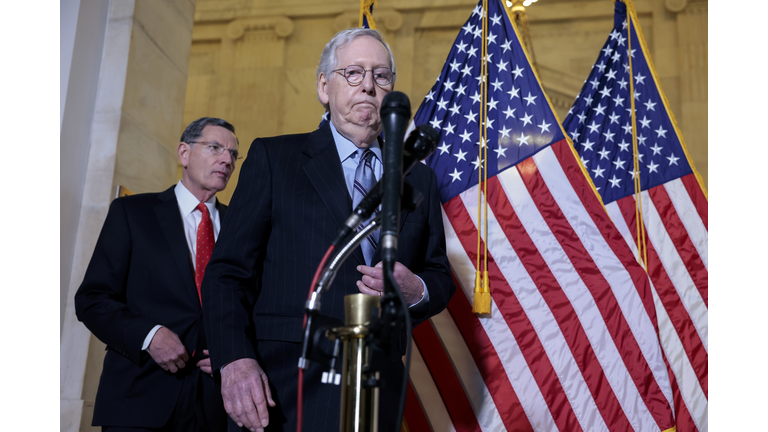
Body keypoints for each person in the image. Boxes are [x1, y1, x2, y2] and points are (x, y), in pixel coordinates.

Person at [202, 28, 456, 432]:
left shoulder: (418, 178)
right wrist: (234, 360)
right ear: (324, 86)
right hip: (283, 384)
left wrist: (417, 291)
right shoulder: (275, 157)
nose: (369, 86)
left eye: (382, 75)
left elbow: (439, 275)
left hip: (376, 384)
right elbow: (227, 274)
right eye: (354, 73)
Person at [75, 117, 241, 432]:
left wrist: (233, 352)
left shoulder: (242, 227)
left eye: (233, 154)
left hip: (215, 405)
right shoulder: (133, 213)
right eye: (215, 147)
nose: (226, 159)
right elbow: (92, 299)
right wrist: (149, 336)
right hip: (139, 397)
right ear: (184, 153)